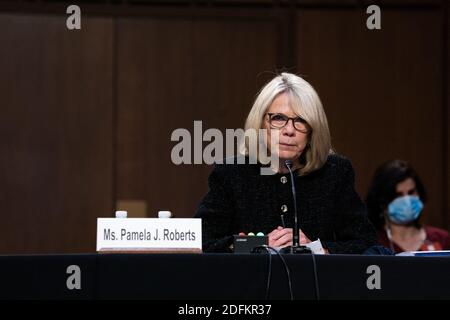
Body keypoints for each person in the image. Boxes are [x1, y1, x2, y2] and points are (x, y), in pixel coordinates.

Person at [195, 72, 377, 254]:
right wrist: (258, 244)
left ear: (313, 130)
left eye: (301, 120)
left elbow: (366, 243)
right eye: (278, 118)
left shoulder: (335, 172)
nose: (289, 130)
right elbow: (201, 241)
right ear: (259, 123)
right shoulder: (231, 173)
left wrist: (314, 248)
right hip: (250, 280)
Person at [366, 159, 450, 253]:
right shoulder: (372, 244)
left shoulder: (442, 239)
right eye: (398, 195)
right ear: (381, 200)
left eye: (411, 192)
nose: (407, 201)